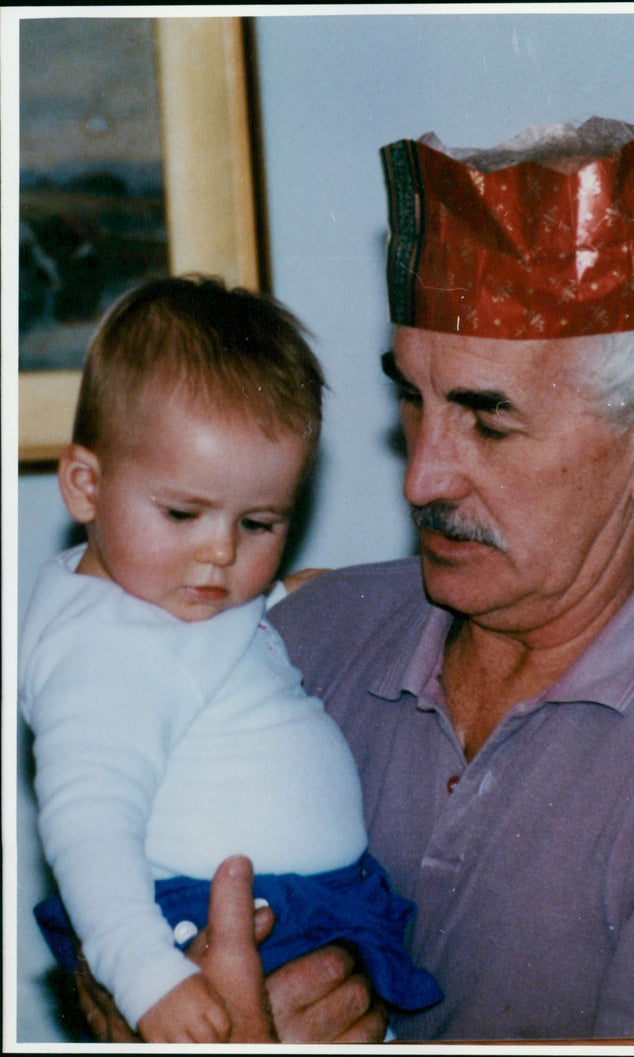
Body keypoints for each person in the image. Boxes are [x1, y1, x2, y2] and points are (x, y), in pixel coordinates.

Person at [75, 118, 634, 1042]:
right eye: (413, 400)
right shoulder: (299, 631)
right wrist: (133, 997)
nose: (421, 478)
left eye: (488, 421)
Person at [18, 276, 441, 1043]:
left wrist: (274, 601)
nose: (219, 553)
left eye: (259, 521)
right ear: (85, 484)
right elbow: (87, 827)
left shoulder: (158, 600)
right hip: (206, 924)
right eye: (183, 513)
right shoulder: (104, 654)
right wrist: (150, 979)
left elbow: (201, 674)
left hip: (308, 907)